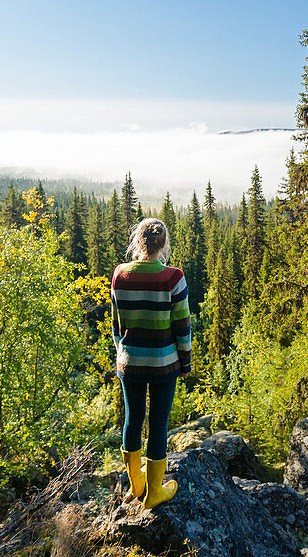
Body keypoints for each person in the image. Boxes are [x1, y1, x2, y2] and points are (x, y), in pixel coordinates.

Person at [111, 217, 192, 508]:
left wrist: (123, 352)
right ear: (163, 244)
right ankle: (154, 493)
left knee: (133, 420)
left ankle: (136, 486)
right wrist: (185, 363)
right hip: (164, 363)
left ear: (137, 241)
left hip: (129, 362)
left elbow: (116, 325)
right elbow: (182, 327)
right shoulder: (173, 277)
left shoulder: (121, 274)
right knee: (158, 424)